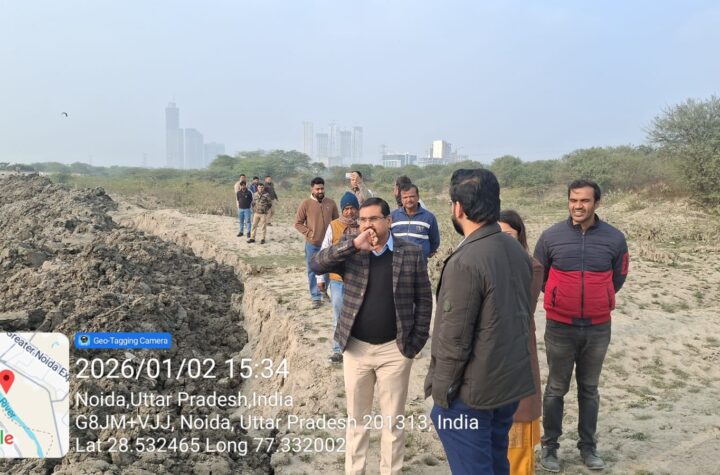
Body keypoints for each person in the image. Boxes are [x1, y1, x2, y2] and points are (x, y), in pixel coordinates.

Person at [310, 197, 432, 475]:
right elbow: (316, 264)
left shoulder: (410, 253)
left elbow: (424, 300)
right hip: (356, 350)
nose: (367, 225)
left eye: (374, 219)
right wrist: (353, 245)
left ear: (388, 221)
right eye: (363, 220)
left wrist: (414, 345)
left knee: (392, 423)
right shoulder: (352, 249)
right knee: (356, 421)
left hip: (395, 351)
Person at [424, 169, 535, 475]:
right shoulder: (515, 249)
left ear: (458, 207)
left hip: (471, 394)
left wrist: (441, 396)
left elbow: (453, 338)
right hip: (506, 384)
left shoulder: (466, 260)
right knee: (496, 463)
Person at [534, 179, 629, 472]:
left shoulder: (615, 238)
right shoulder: (551, 237)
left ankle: (588, 447)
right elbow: (540, 275)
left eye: (585, 201)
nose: (578, 206)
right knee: (555, 389)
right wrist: (559, 297)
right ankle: (550, 447)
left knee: (589, 389)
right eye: (573, 200)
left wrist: (601, 297)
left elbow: (619, 276)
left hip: (598, 328)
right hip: (560, 326)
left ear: (596, 203)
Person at [498, 209, 544, 475]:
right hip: (491, 358)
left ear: (520, 236)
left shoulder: (531, 266)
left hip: (518, 353)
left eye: (508, 234)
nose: (502, 240)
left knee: (519, 421)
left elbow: (519, 309)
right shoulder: (485, 262)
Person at [315, 191, 360, 364]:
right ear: (342, 210)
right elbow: (324, 252)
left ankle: (355, 350)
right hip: (337, 280)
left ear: (357, 209)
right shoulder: (333, 226)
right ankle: (337, 350)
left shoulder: (363, 225)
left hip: (358, 280)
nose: (349, 212)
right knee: (338, 315)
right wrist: (320, 279)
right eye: (346, 208)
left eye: (352, 208)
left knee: (358, 315)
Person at [294, 177, 339, 308]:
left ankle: (324, 292)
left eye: (322, 188)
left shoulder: (331, 203)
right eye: (317, 189)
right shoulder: (306, 204)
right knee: (313, 270)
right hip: (312, 244)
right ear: (312, 189)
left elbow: (336, 222)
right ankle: (315, 297)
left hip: (329, 245)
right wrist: (310, 234)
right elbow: (297, 223)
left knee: (329, 269)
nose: (320, 191)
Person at [390, 183, 440, 259]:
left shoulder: (429, 217)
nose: (409, 200)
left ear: (418, 197)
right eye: (405, 197)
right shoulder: (392, 216)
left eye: (412, 196)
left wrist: (424, 254)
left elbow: (435, 242)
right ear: (401, 199)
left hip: (420, 263)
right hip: (396, 261)